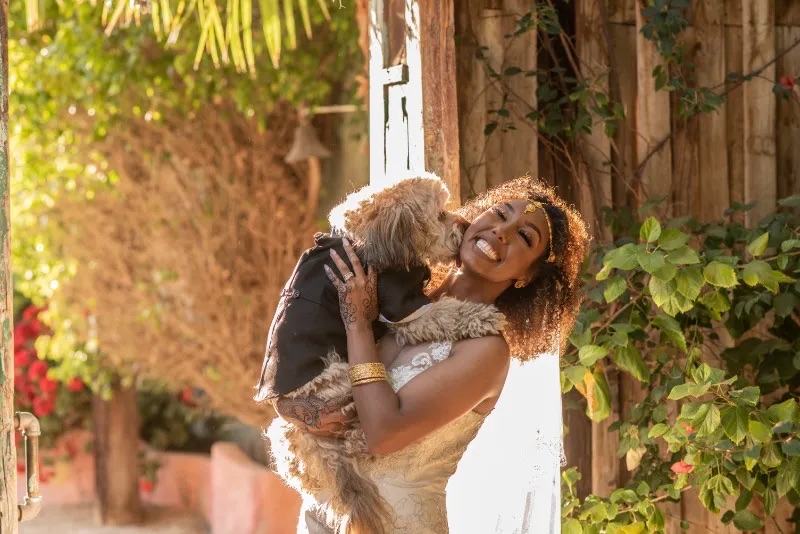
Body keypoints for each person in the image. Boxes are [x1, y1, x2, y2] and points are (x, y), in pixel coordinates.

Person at [276, 177, 589, 533]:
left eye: (524, 237)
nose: (502, 231)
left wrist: (358, 324)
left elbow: (384, 434)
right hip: (324, 515)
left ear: (527, 276)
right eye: (500, 213)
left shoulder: (486, 351)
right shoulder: (393, 300)